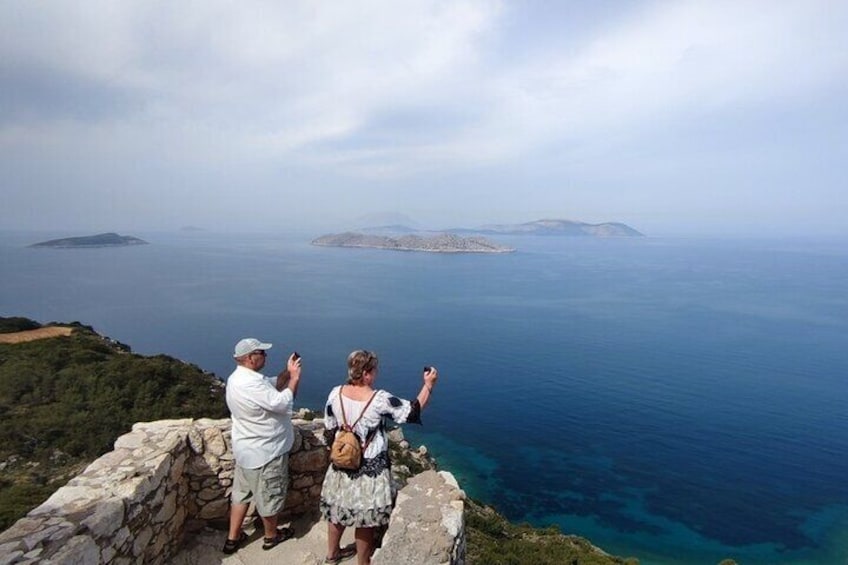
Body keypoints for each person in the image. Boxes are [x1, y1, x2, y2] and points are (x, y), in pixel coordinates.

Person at [319, 350, 438, 565]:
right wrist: (428, 385)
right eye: (374, 370)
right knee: (366, 521)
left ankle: (332, 555)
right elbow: (411, 412)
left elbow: (329, 426)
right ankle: (363, 563)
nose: (376, 374)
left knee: (337, 511)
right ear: (366, 373)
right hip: (369, 470)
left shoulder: (335, 393)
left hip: (341, 464)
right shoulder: (379, 399)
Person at [222, 337, 302, 554]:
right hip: (267, 451)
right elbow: (283, 402)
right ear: (250, 358)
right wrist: (294, 379)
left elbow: (271, 384)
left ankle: (233, 538)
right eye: (262, 353)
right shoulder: (251, 383)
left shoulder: (238, 378)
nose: (265, 356)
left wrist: (286, 372)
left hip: (246, 450)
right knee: (269, 497)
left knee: (241, 494)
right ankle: (271, 537)